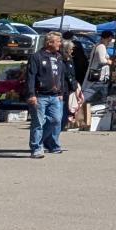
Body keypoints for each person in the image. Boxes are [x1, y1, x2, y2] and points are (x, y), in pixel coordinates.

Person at [25, 30, 77, 158]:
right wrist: (31, 94)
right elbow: (30, 76)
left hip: (55, 96)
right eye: (58, 41)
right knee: (38, 122)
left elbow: (61, 75)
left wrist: (61, 91)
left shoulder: (59, 57)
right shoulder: (37, 57)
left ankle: (43, 141)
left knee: (56, 120)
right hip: (40, 95)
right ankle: (36, 148)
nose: (60, 43)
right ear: (49, 42)